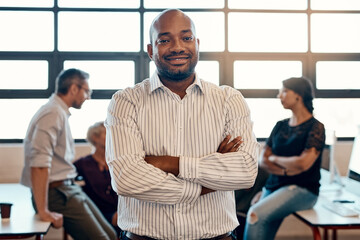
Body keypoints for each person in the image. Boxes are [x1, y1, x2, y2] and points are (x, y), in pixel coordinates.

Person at [105, 9, 260, 240]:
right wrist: (206, 184)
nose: (177, 47)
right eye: (165, 40)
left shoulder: (229, 99)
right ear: (151, 50)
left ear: (197, 44)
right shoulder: (126, 101)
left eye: (186, 38)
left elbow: (245, 172)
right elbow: (126, 179)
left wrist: (168, 163)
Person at [20, 68, 117, 240]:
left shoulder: (58, 112)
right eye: (86, 91)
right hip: (58, 193)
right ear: (73, 89)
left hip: (68, 188)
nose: (88, 97)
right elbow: (40, 162)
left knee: (110, 234)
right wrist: (43, 211)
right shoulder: (53, 113)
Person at [243, 77, 326, 240]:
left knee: (255, 214)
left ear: (298, 95)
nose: (279, 96)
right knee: (259, 222)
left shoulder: (316, 127)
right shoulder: (280, 125)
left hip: (303, 190)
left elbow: (303, 164)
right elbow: (263, 161)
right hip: (274, 186)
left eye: (284, 91)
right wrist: (287, 168)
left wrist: (274, 158)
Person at [74, 121, 121, 236]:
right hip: (96, 213)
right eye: (106, 133)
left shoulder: (116, 162)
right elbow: (66, 179)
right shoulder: (83, 164)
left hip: (120, 211)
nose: (112, 136)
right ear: (95, 137)